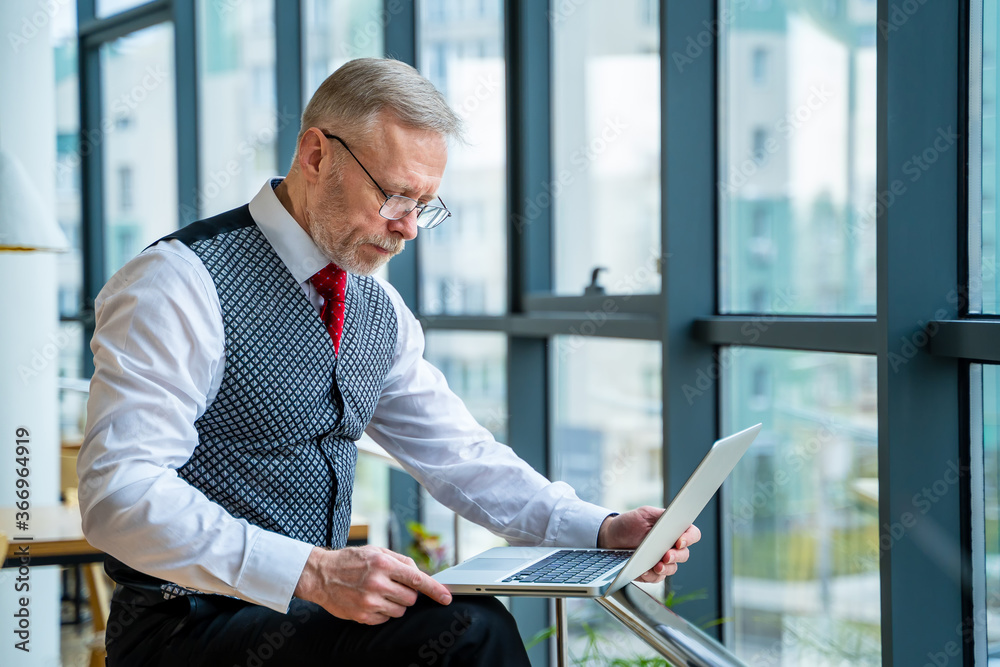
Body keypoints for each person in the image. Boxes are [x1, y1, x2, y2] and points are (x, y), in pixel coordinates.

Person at [78, 57, 701, 666]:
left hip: (307, 621)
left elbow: (461, 458)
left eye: (424, 205)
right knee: (468, 630)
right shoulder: (177, 283)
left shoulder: (378, 307)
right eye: (394, 196)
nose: (408, 228)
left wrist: (600, 529)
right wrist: (313, 571)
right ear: (316, 154)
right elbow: (119, 494)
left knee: (468, 619)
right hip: (183, 628)